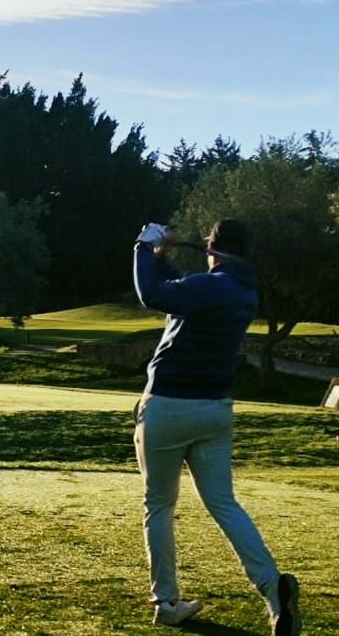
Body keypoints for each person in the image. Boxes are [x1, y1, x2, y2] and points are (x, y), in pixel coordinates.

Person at [132, 219, 301, 634]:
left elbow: (152, 295)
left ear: (213, 248)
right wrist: (161, 258)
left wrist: (143, 246)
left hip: (169, 405)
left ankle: (167, 602)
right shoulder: (241, 290)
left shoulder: (213, 286)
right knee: (224, 503)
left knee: (159, 504)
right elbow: (182, 294)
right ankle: (271, 587)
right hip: (215, 410)